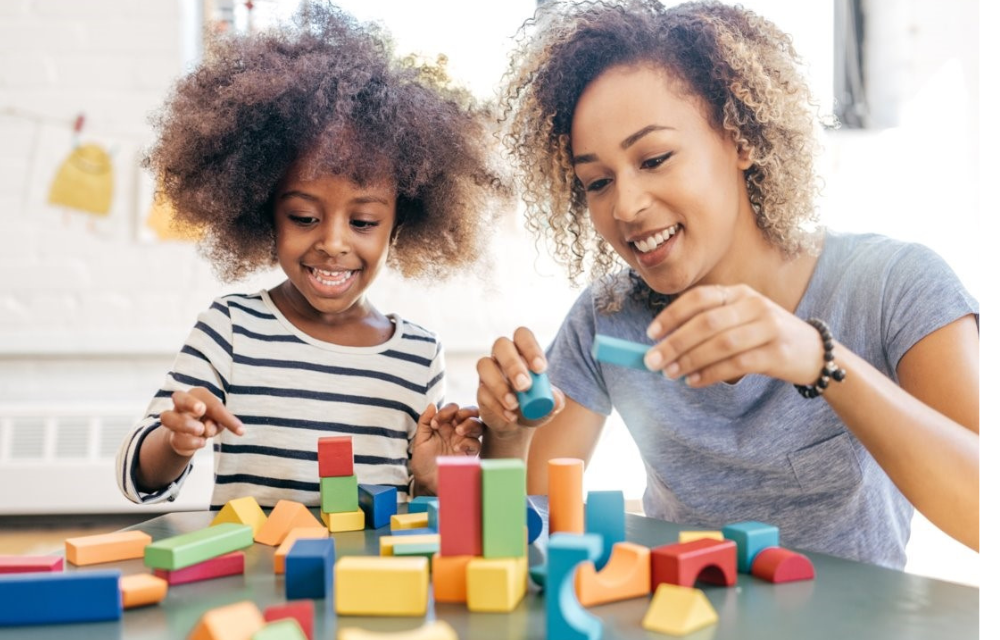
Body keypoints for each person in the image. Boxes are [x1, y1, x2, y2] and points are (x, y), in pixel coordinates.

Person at [477, 0, 978, 568]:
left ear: (740, 139)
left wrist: (818, 359)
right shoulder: (608, 317)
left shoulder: (894, 286)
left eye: (656, 158)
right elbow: (528, 528)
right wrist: (506, 437)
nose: (627, 205)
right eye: (596, 182)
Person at [116, 1, 503, 509]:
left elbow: (408, 511)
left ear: (398, 226)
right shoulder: (231, 330)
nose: (334, 242)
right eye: (303, 217)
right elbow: (138, 478)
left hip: (366, 586)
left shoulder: (416, 354)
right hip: (256, 584)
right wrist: (175, 441)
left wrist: (430, 481)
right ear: (263, 214)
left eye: (363, 222)